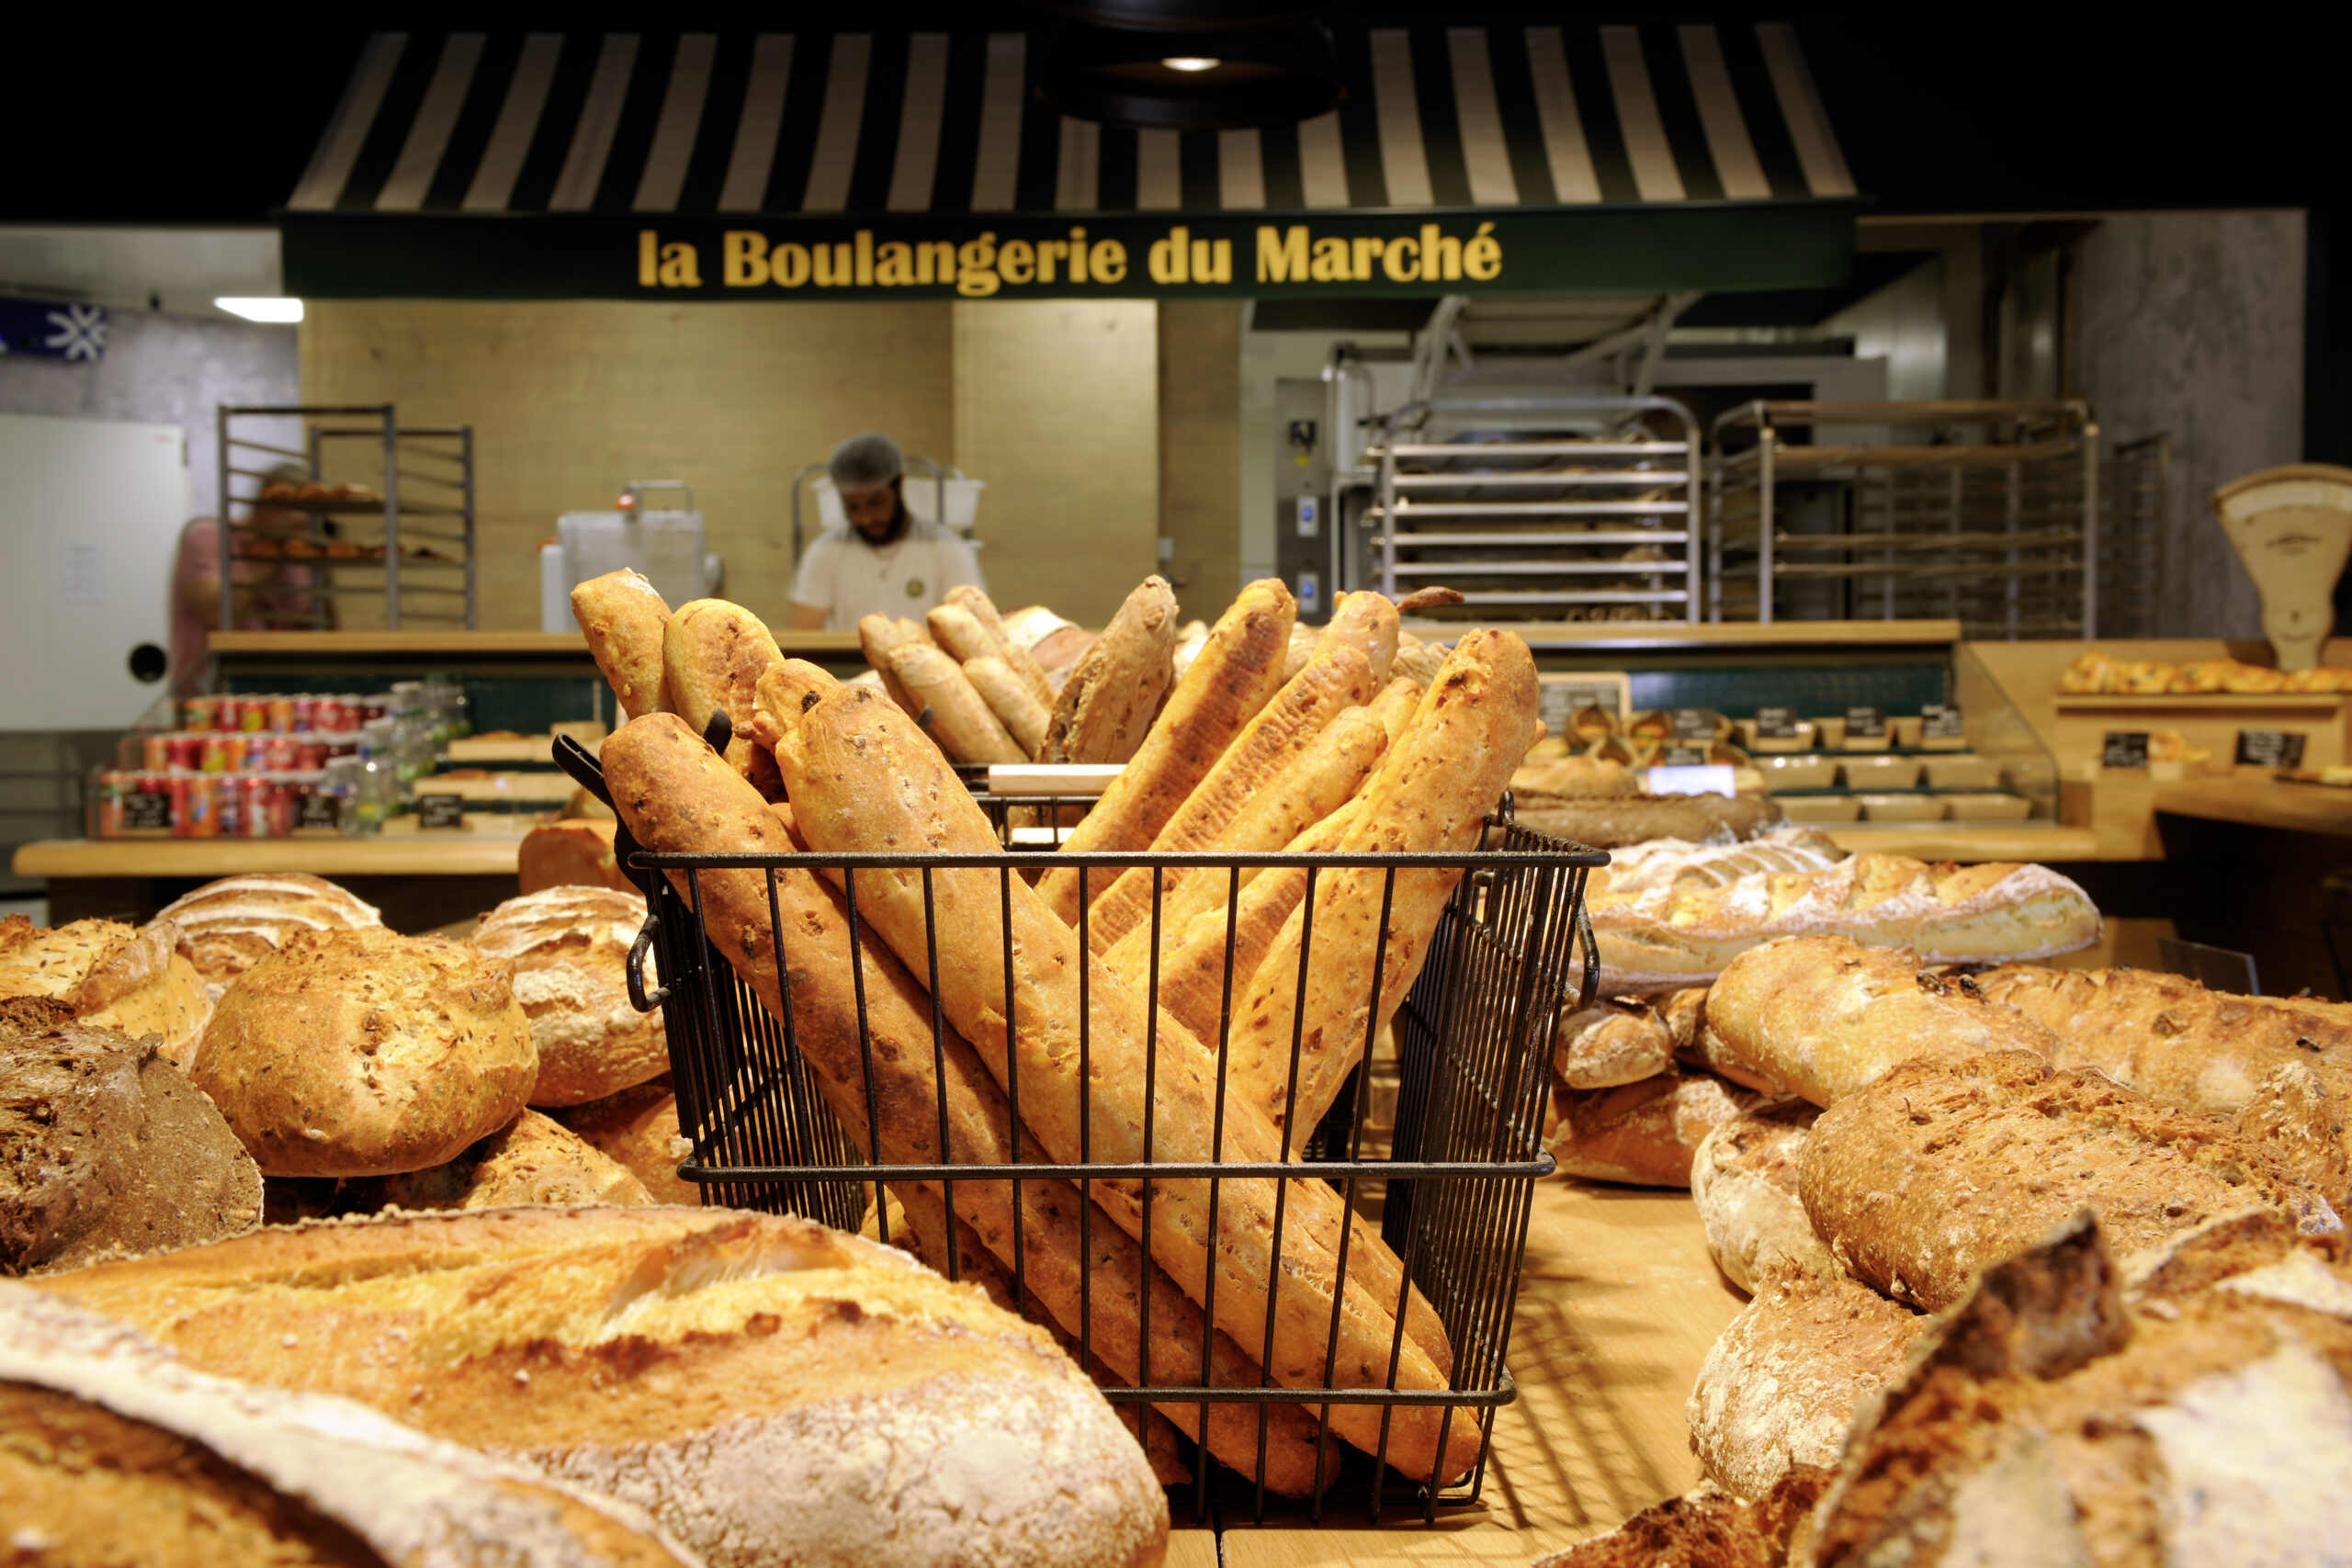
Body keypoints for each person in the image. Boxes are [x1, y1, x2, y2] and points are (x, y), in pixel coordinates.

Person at [788, 433, 983, 629]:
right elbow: (803, 632)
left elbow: (974, 628)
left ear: (899, 485)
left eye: (876, 503)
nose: (866, 518)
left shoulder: (947, 549)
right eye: (853, 507)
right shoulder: (825, 551)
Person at [166, 464, 326, 697]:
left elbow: (310, 628)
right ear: (262, 506)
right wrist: (266, 559)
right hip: (209, 692)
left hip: (279, 693)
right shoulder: (209, 538)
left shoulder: (296, 555)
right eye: (291, 508)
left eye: (308, 511)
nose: (301, 519)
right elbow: (217, 613)